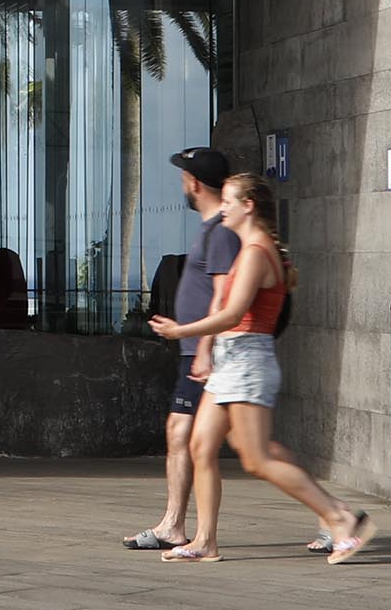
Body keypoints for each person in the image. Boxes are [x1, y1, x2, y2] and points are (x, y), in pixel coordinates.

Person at [149, 173, 373, 565]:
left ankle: (341, 518)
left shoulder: (256, 252)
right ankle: (204, 541)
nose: (223, 208)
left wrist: (181, 331)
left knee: (255, 459)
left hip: (248, 360)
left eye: (230, 201)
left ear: (248, 206)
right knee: (201, 446)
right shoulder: (249, 248)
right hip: (230, 359)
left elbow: (232, 313)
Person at [119, 147, 238, 552]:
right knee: (182, 432)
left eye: (184, 177)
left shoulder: (221, 231)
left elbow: (223, 298)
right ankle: (174, 523)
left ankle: (336, 516)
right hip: (194, 351)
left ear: (195, 183)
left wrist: (203, 347)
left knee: (255, 452)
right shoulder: (211, 228)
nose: (181, 184)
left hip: (205, 354)